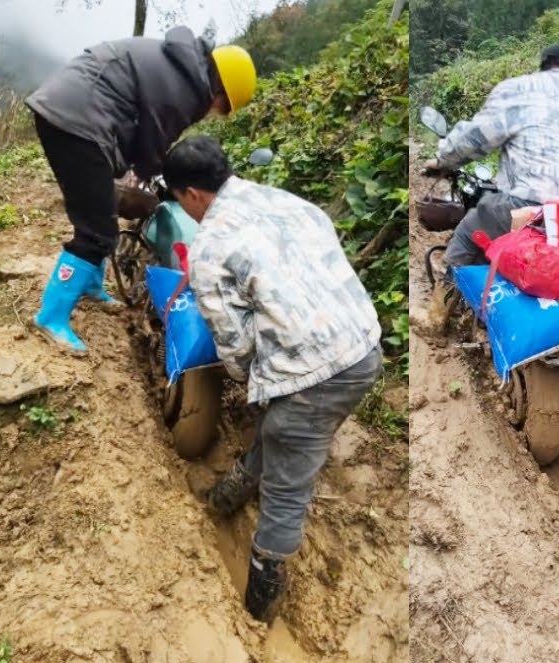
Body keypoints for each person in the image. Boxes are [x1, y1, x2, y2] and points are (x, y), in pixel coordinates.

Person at [162, 136, 383, 620]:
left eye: (181, 200)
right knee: (286, 428)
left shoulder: (209, 249)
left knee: (287, 489)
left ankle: (261, 594)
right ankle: (233, 489)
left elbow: (233, 343)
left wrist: (247, 379)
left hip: (317, 373)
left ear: (192, 195)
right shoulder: (289, 201)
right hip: (365, 345)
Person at [25, 29, 256, 355]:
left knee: (100, 210)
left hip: (69, 110)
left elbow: (143, 137)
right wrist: (160, 185)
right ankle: (51, 317)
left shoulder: (181, 67)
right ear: (220, 90)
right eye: (221, 107)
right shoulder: (186, 90)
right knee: (97, 232)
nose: (212, 112)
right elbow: (152, 146)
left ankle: (90, 285)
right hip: (80, 121)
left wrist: (141, 172)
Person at [426, 44, 559, 269]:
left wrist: (442, 160)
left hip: (529, 206)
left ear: (544, 68)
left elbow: (475, 138)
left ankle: (443, 298)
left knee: (468, 233)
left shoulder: (522, 87)